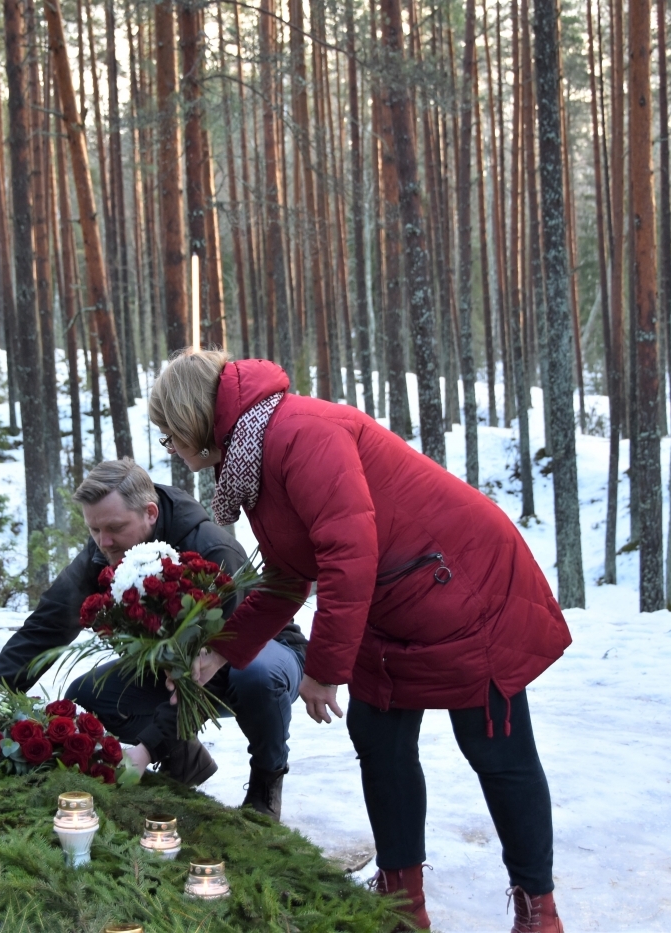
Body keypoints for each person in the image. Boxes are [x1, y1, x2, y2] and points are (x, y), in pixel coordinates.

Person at [148, 350, 572, 933]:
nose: (170, 447)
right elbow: (288, 575)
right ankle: (403, 902)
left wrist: (322, 670)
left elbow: (349, 558)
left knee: (497, 750)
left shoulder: (302, 435)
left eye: (169, 434)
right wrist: (222, 647)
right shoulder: (256, 457)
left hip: (464, 583)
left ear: (194, 418)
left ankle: (538, 908)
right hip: (391, 597)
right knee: (379, 738)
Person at [0, 457, 306, 819]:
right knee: (87, 695)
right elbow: (45, 626)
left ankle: (266, 782)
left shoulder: (211, 551)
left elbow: (205, 664)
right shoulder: (106, 549)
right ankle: (185, 759)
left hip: (259, 654)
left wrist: (147, 748)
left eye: (114, 528)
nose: (103, 542)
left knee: (254, 675)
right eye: (93, 531)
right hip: (178, 671)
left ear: (150, 513)